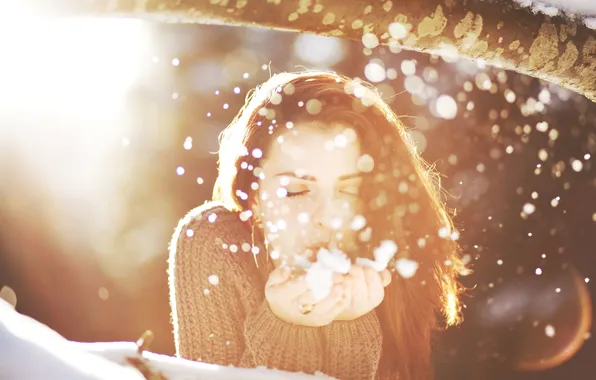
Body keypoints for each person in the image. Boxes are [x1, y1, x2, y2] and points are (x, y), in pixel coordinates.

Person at [168, 71, 467, 380]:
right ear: (253, 197)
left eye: (350, 191)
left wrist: (348, 324)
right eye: (296, 191)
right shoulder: (214, 243)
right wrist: (287, 327)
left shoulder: (395, 265)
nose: (328, 216)